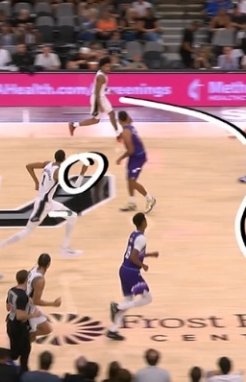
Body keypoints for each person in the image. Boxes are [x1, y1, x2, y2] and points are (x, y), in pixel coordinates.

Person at [0, 150, 84, 257]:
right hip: (43, 205)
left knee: (72, 216)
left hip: (48, 202)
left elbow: (29, 166)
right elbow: (74, 187)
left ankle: (65, 249)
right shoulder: (58, 173)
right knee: (27, 231)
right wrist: (82, 173)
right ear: (64, 159)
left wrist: (36, 182)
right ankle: (0, 244)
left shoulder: (48, 164)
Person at [0, 270, 41, 373]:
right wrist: (33, 315)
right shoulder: (22, 296)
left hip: (10, 324)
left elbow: (8, 308)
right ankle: (24, 374)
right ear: (26, 280)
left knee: (14, 354)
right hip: (19, 327)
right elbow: (19, 316)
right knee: (25, 351)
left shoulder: (12, 291)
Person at [107, 212, 158, 341]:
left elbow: (133, 253)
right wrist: (143, 265)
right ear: (143, 222)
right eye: (145, 220)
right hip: (131, 272)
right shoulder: (142, 238)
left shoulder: (134, 234)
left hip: (124, 269)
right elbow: (133, 257)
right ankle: (117, 307)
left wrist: (149, 254)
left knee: (128, 301)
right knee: (147, 298)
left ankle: (113, 330)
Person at [68, 57, 121, 141]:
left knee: (111, 114)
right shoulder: (101, 77)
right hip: (97, 99)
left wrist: (108, 90)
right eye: (106, 66)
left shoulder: (104, 74)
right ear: (102, 67)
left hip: (101, 97)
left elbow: (102, 87)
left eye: (109, 66)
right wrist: (99, 106)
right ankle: (74, 125)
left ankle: (118, 135)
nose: (108, 68)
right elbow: (97, 92)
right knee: (95, 120)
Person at [115, 111, 156, 213]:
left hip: (137, 157)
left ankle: (150, 199)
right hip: (136, 156)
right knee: (129, 180)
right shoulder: (130, 127)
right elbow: (138, 140)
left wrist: (120, 158)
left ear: (119, 120)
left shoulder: (126, 132)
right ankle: (132, 202)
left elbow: (131, 150)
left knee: (132, 181)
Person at [26, 253, 61, 342]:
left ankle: (25, 336)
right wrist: (53, 304)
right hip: (28, 308)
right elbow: (36, 301)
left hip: (27, 302)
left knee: (46, 329)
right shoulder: (40, 280)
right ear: (48, 264)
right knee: (44, 330)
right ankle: (23, 337)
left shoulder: (33, 269)